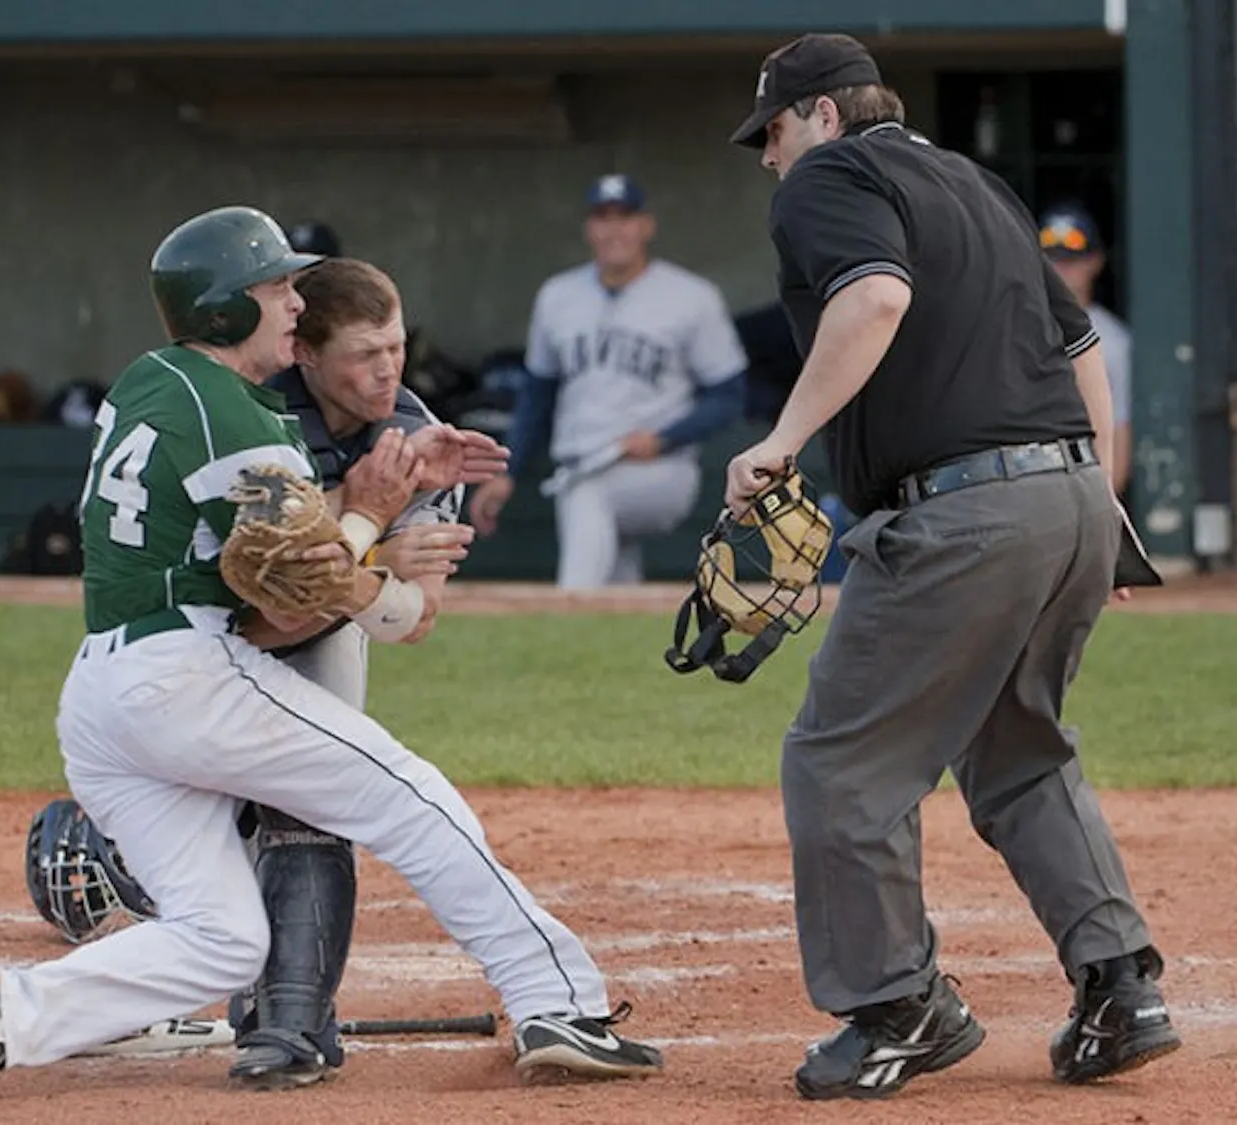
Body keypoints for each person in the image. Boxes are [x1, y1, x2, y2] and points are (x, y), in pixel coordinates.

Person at [0, 205, 663, 1105]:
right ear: (227, 311)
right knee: (414, 798)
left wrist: (363, 529)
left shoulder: (149, 380)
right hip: (184, 673)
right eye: (274, 291)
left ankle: (17, 1014)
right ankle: (562, 1003)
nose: (291, 306)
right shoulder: (241, 414)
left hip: (99, 695)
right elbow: (294, 585)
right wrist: (373, 523)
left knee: (223, 935)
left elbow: (292, 563)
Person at [725, 34, 1180, 1101]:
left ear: (826, 116)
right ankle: (1123, 987)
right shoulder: (972, 181)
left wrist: (781, 441)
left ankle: (897, 1006)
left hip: (964, 513)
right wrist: (1102, 502)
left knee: (841, 765)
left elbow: (874, 298)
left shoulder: (832, 174)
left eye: (775, 131)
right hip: (1066, 494)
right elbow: (1079, 351)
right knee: (1020, 751)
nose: (767, 157)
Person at [226, 255, 479, 1090]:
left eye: (396, 347)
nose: (387, 371)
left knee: (313, 790)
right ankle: (124, 862)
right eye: (364, 354)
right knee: (205, 821)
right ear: (304, 353)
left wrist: (362, 562)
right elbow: (259, 608)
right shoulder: (256, 415)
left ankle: (290, 1018)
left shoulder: (413, 432)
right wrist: (368, 538)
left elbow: (412, 616)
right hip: (204, 632)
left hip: (323, 620)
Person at [468, 174, 749, 588]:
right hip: (580, 462)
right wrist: (506, 471)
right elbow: (537, 395)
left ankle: (569, 616)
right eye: (603, 217)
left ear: (647, 225)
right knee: (611, 558)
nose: (614, 229)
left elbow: (729, 396)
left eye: (626, 216)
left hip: (659, 469)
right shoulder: (557, 296)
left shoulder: (691, 296)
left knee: (588, 497)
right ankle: (613, 630)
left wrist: (665, 437)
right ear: (589, 228)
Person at [1038, 202, 1133, 498]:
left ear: (1095, 261)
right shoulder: (1015, 327)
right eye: (1051, 259)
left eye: (1072, 259)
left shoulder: (1115, 339)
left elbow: (1120, 428)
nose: (1061, 268)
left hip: (1084, 485)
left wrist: (1106, 505)